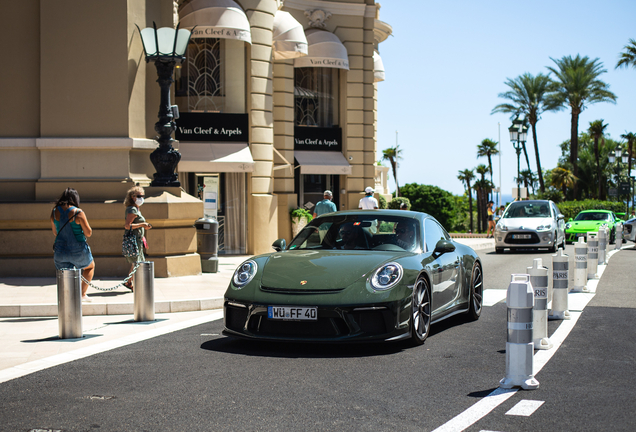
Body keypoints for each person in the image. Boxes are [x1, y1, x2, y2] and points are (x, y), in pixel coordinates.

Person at [50, 188, 95, 302]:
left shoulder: (55, 211)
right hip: (78, 250)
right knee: (90, 267)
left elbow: (55, 232)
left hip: (60, 250)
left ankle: (67, 299)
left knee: (65, 276)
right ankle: (82, 294)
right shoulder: (78, 213)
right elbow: (88, 233)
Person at [123, 186, 152, 291]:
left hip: (138, 239)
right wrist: (142, 224)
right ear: (133, 197)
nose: (141, 198)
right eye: (139, 196)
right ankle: (136, 285)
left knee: (137, 261)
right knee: (138, 262)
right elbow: (127, 226)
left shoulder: (135, 208)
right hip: (134, 240)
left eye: (143, 196)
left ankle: (128, 281)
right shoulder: (132, 209)